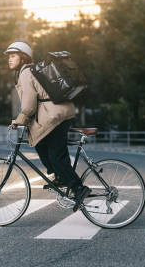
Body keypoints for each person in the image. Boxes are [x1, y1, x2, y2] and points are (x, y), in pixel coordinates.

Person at [5, 41, 91, 212]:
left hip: (54, 117)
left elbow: (29, 105)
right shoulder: (32, 70)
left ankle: (79, 188)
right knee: (39, 143)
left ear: (23, 58)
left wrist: (19, 120)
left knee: (56, 156)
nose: (9, 59)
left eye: (13, 56)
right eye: (9, 56)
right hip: (58, 113)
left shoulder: (26, 73)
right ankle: (60, 176)